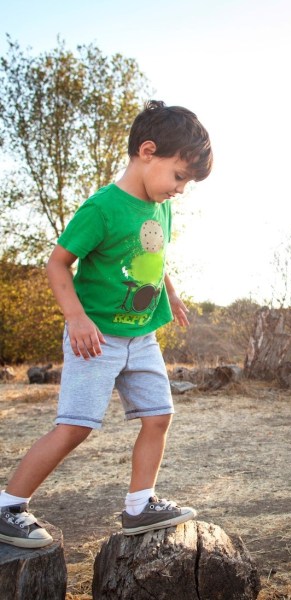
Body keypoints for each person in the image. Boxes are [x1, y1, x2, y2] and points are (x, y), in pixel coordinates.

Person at [0, 101, 213, 548]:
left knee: (159, 416)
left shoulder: (161, 207)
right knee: (75, 426)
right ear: (148, 151)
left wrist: (169, 290)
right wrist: (75, 319)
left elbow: (153, 257)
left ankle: (139, 505)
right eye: (179, 176)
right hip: (96, 338)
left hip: (143, 335)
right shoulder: (102, 207)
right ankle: (7, 505)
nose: (180, 189)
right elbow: (57, 264)